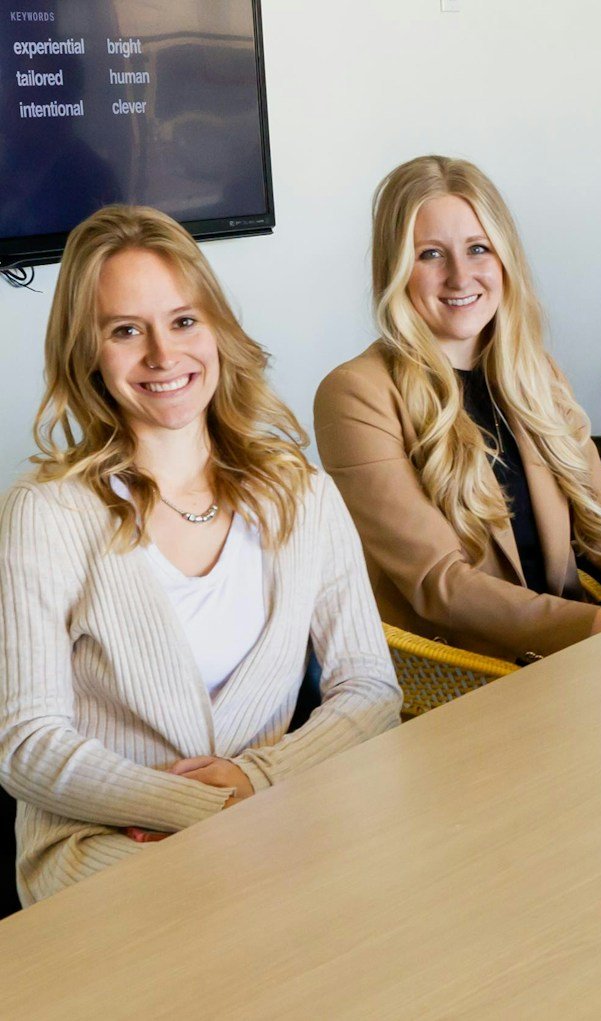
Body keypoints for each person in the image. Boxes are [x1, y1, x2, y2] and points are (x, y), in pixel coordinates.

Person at [0, 206, 401, 906]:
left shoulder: (302, 495)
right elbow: (27, 743)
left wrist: (258, 781)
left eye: (184, 321)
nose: (163, 354)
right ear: (87, 352)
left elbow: (370, 687)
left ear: (216, 328)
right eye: (126, 330)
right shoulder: (46, 512)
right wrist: (197, 810)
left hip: (269, 825)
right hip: (101, 848)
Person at [316, 156, 601, 662]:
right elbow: (440, 584)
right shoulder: (354, 393)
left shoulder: (535, 373)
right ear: (395, 270)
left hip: (574, 650)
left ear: (504, 259)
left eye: (478, 249)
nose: (461, 277)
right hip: (468, 672)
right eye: (431, 254)